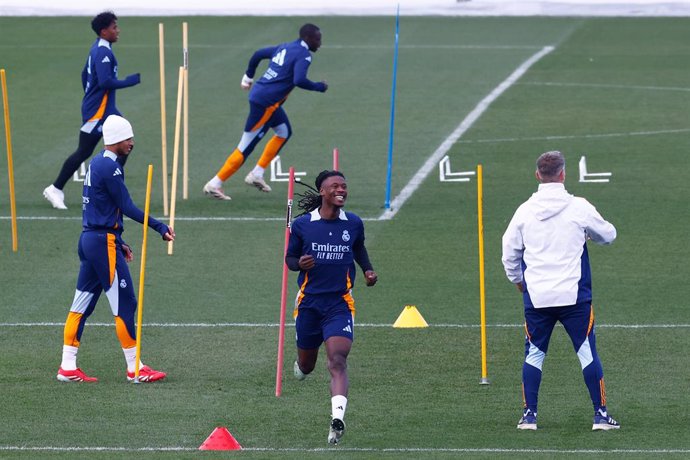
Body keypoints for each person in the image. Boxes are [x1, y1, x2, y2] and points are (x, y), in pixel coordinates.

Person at [501, 150, 620, 431]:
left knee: (534, 354)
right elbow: (609, 235)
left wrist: (518, 280)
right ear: (563, 174)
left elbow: (509, 253)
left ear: (537, 175)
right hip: (574, 296)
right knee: (586, 353)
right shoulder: (579, 207)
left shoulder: (524, 211)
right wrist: (589, 234)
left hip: (537, 296)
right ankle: (600, 416)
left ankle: (529, 416)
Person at [57, 115, 175, 383]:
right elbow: (127, 206)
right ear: (116, 140)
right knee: (125, 303)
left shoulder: (98, 163)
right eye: (128, 139)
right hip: (102, 244)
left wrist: (118, 240)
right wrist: (159, 227)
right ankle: (135, 369)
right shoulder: (110, 168)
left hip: (91, 240)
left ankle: (67, 366)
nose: (132, 143)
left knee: (81, 304)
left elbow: (102, 207)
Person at [285, 170, 378, 444]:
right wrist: (298, 264)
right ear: (323, 192)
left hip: (339, 303)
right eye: (335, 186)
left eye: (344, 186)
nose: (341, 190)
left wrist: (368, 270)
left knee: (337, 360)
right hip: (309, 304)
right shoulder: (303, 225)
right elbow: (290, 259)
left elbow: (358, 248)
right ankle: (301, 366)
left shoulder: (354, 223)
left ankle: (337, 418)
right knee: (307, 365)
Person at [203, 23, 328, 201]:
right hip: (266, 103)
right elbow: (299, 79)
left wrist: (248, 76)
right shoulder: (304, 55)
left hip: (265, 98)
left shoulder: (285, 46)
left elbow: (258, 54)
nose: (320, 43)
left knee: (284, 132)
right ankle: (215, 183)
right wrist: (319, 87)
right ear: (307, 38)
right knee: (246, 146)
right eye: (318, 39)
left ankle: (257, 173)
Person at [43, 11, 141, 210]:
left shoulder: (99, 48)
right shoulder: (102, 52)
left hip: (106, 109)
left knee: (126, 142)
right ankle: (55, 188)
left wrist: (90, 93)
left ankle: (110, 186)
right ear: (104, 31)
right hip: (98, 111)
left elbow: (83, 75)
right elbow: (105, 81)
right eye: (114, 27)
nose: (118, 30)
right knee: (84, 151)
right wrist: (129, 82)